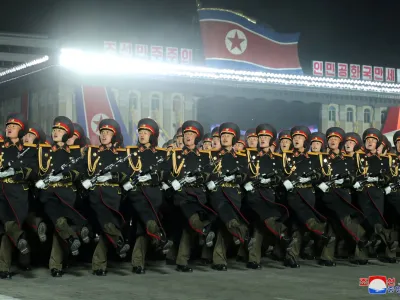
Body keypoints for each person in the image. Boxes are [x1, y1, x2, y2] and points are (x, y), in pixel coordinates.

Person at [35, 116, 88, 277]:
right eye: (54, 130)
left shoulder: (74, 153)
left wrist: (64, 176)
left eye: (60, 130)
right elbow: (37, 169)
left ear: (67, 134)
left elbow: (80, 171)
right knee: (59, 221)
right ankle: (70, 242)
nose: (56, 132)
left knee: (60, 226)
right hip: (49, 194)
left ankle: (57, 263)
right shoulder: (45, 151)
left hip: (66, 193)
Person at [123, 118, 172, 274]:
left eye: (145, 132)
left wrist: (152, 177)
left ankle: (138, 262)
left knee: (142, 227)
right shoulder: (131, 152)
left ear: (153, 135)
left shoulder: (161, 154)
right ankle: (159, 237)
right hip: (137, 192)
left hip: (154, 192)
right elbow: (124, 171)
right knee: (144, 218)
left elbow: (166, 172)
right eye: (140, 132)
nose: (142, 135)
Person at [81, 119, 130, 276]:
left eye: (108, 133)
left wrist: (111, 176)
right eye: (102, 133)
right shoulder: (92, 152)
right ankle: (119, 241)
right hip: (96, 194)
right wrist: (86, 180)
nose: (104, 136)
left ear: (114, 136)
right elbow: (84, 171)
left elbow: (125, 174)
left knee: (106, 229)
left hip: (113, 194)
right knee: (106, 222)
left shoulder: (122, 154)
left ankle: (99, 264)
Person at [167, 120, 217, 272]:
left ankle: (182, 261)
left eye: (191, 134)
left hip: (198, 195)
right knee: (192, 219)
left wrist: (202, 179)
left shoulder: (204, 156)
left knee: (188, 229)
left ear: (197, 138)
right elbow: (163, 171)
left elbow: (210, 173)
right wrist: (172, 181)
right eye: (186, 134)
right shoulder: (175, 155)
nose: (188, 136)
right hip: (182, 195)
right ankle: (205, 231)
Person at [317, 127, 370, 265]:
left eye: (336, 139)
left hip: (342, 193)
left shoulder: (348, 159)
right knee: (332, 224)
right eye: (330, 139)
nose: (333, 141)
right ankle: (326, 257)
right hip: (327, 195)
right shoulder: (322, 158)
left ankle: (362, 242)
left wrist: (344, 181)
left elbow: (354, 176)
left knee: (345, 221)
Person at [281, 126, 331, 268]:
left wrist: (310, 179)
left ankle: (291, 256)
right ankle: (320, 230)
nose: (297, 140)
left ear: (305, 141)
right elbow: (280, 172)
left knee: (298, 226)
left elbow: (320, 174)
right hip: (293, 194)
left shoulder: (313, 158)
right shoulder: (286, 156)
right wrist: (284, 180)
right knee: (302, 217)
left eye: (300, 138)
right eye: (295, 138)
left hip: (308, 193)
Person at [243, 123, 291, 269]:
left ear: (271, 140)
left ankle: (254, 260)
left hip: (269, 195)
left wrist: (271, 180)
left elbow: (281, 176)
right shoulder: (249, 155)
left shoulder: (277, 158)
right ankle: (283, 234)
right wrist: (246, 182)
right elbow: (242, 172)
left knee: (259, 226)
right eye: (260, 136)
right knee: (267, 217)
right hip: (253, 196)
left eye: (266, 137)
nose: (263, 139)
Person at [206, 122, 253, 271]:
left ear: (234, 138)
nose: (225, 138)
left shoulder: (241, 157)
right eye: (223, 135)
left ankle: (219, 259)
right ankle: (242, 234)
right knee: (226, 215)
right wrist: (210, 180)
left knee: (223, 226)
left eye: (228, 136)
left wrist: (234, 178)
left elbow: (246, 175)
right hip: (217, 193)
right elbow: (205, 172)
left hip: (234, 193)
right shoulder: (212, 155)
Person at [0, 113, 38, 279]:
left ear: (21, 130)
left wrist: (15, 172)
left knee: (9, 227)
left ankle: (10, 265)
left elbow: (33, 171)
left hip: (18, 193)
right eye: (8, 126)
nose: (9, 128)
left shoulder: (29, 150)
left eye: (14, 126)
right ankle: (6, 265)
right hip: (1, 191)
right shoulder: (1, 148)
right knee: (6, 226)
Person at [353, 128, 397, 263]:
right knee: (362, 223)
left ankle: (388, 241)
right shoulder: (358, 157)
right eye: (367, 140)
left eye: (373, 140)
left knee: (376, 220)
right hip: (361, 193)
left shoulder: (385, 159)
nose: (370, 142)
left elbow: (390, 175)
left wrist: (377, 179)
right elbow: (352, 172)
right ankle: (361, 256)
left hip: (376, 193)